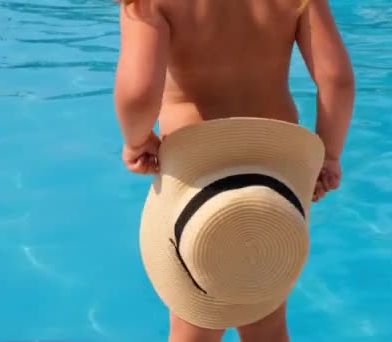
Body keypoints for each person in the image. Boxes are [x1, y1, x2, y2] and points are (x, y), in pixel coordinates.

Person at [113, 0, 355, 340]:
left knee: (194, 321)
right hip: (277, 170)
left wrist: (136, 141)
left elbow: (137, 95)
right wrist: (328, 155)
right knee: (265, 314)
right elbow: (338, 80)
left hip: (198, 170)